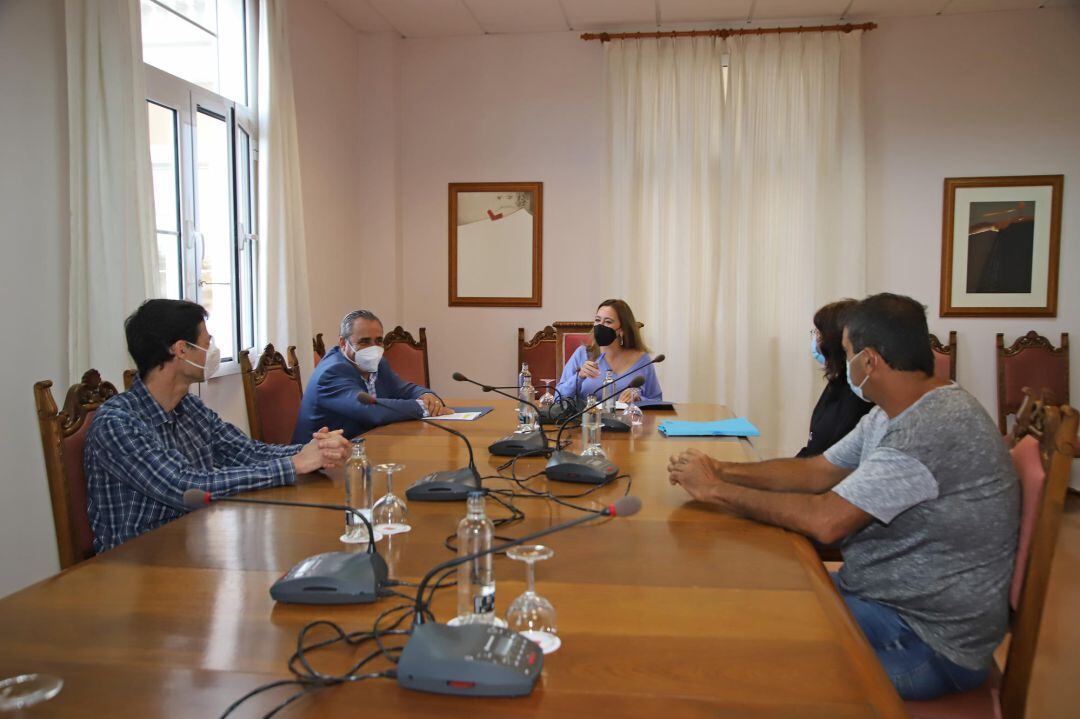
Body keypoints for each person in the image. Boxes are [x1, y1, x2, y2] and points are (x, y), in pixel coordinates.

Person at [667, 293, 1018, 701]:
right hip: (882, 600)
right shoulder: (893, 410)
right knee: (749, 616)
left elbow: (826, 519)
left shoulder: (931, 427)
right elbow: (817, 471)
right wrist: (722, 468)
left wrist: (715, 490)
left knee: (752, 670)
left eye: (848, 353)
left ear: (868, 361)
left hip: (929, 643)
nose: (842, 362)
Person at [85, 300, 351, 552]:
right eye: (206, 342)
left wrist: (313, 451)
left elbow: (246, 452)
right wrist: (294, 464)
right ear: (180, 349)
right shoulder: (118, 423)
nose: (212, 351)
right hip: (137, 564)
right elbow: (186, 487)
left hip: (194, 542)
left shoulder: (188, 407)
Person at [293, 309, 452, 442]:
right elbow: (370, 411)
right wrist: (424, 408)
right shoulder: (332, 372)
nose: (373, 348)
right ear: (343, 343)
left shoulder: (377, 363)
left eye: (378, 341)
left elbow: (403, 389)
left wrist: (427, 396)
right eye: (364, 341)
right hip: (318, 466)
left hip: (363, 448)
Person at [797, 299, 873, 457]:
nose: (816, 341)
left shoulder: (860, 394)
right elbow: (814, 450)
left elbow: (828, 465)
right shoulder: (838, 382)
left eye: (819, 334)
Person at [555, 299, 663, 406]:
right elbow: (558, 398)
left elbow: (657, 400)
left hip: (629, 421)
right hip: (589, 420)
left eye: (608, 322)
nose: (600, 326)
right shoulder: (582, 354)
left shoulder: (642, 360)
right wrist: (580, 376)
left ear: (622, 330)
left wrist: (639, 398)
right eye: (597, 320)